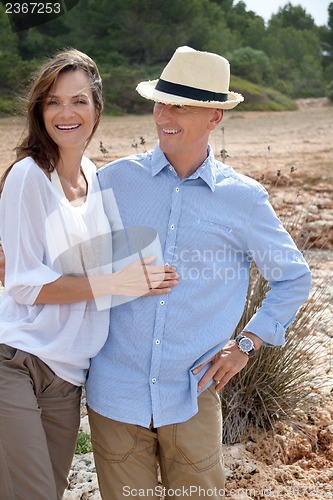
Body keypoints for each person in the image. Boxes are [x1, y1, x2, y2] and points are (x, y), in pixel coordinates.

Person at [85, 46, 312, 499]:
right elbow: (80, 266)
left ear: (214, 118)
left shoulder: (243, 198)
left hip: (192, 395)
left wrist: (247, 344)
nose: (165, 114)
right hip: (114, 394)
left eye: (182, 105)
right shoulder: (111, 182)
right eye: (162, 101)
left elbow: (293, 278)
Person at [0, 49, 178, 500]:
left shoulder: (94, 177)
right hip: (14, 360)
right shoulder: (28, 175)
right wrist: (118, 283)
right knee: (34, 493)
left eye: (78, 101)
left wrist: (142, 275)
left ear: (97, 110)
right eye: (53, 102)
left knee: (49, 489)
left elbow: (87, 264)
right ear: (39, 111)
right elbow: (23, 283)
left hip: (70, 374)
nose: (66, 112)